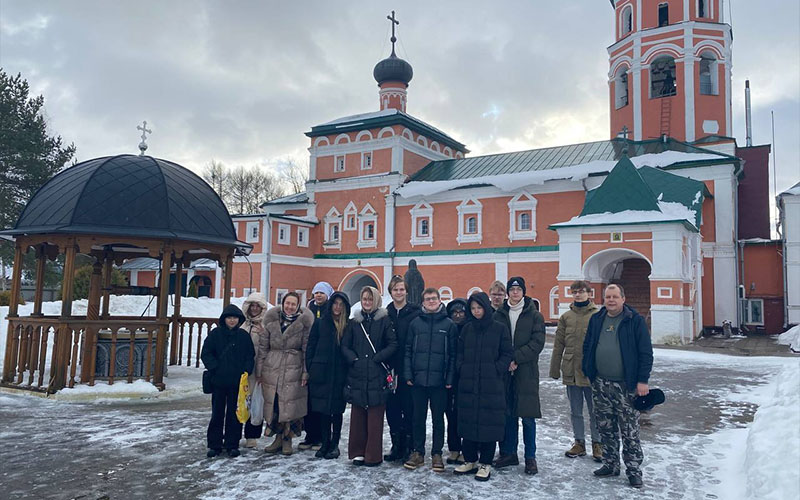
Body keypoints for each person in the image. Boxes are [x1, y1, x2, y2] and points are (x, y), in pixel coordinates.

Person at [582, 284, 653, 489]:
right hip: (601, 384)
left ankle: (633, 470)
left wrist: (642, 381)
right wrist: (588, 371)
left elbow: (645, 353)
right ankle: (610, 464)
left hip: (626, 386)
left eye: (614, 296)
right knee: (606, 426)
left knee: (629, 430)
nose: (611, 300)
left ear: (623, 298)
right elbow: (588, 345)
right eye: (607, 297)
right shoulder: (597, 319)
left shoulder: (634, 320)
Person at [454, 292, 513, 482]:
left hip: (491, 384)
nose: (476, 311)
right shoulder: (467, 329)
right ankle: (470, 459)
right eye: (473, 308)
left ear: (486, 308)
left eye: (479, 307)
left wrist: (497, 369)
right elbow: (459, 352)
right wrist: (461, 368)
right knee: (469, 421)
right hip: (469, 383)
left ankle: (485, 462)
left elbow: (507, 353)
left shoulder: (499, 329)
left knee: (489, 423)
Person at [493, 276, 545, 475]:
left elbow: (537, 342)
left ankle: (530, 457)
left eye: (518, 289)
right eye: (512, 289)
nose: (515, 292)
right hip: (506, 372)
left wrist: (516, 358)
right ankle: (508, 452)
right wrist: (506, 361)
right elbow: (495, 340)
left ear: (523, 292)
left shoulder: (534, 315)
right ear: (508, 292)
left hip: (526, 371)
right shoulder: (500, 313)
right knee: (508, 414)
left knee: (528, 416)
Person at [403, 288, 458, 473]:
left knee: (438, 419)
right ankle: (418, 452)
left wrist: (449, 378)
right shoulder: (415, 324)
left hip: (439, 382)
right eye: (427, 299)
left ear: (439, 300)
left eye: (434, 298)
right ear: (423, 302)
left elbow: (452, 355)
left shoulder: (449, 325)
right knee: (417, 418)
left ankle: (436, 453)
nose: (431, 301)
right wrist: (408, 374)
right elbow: (408, 350)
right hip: (418, 380)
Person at [341, 286, 397, 466]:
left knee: (375, 416)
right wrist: (354, 359)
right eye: (364, 299)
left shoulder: (384, 320)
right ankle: (357, 452)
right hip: (358, 372)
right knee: (357, 414)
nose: (367, 302)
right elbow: (345, 345)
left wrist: (378, 358)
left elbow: (393, 344)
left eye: (370, 299)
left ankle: (373, 454)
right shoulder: (354, 322)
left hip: (376, 372)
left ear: (376, 301)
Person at [550, 280, 601, 461]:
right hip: (571, 369)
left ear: (589, 293)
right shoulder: (566, 317)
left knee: (595, 410)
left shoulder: (597, 315)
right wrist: (554, 368)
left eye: (581, 291)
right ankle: (579, 442)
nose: (578, 295)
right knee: (575, 410)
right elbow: (558, 345)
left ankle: (598, 443)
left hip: (590, 371)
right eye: (575, 292)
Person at [258, 292, 314, 456]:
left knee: (290, 405)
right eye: (287, 303)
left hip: (293, 366)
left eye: (293, 304)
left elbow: (306, 350)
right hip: (273, 366)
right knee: (276, 404)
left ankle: (288, 438)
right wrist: (260, 370)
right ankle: (277, 438)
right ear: (283, 304)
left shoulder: (303, 324)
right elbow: (263, 347)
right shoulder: (271, 321)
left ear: (298, 306)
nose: (290, 307)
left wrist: (305, 372)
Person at [201, 304, 255, 458]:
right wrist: (215, 368)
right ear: (224, 319)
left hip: (236, 383)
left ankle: (232, 443)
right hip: (218, 381)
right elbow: (206, 353)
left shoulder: (244, 336)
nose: (232, 321)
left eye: (235, 318)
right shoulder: (215, 335)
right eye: (229, 318)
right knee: (217, 413)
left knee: (234, 414)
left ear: (239, 319)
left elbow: (249, 356)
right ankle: (214, 444)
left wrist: (246, 371)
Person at [306, 291, 351, 459]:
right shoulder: (320, 323)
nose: (337, 307)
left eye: (341, 304)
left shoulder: (347, 325)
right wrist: (311, 367)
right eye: (335, 303)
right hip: (322, 372)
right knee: (323, 410)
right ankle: (325, 442)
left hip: (340, 373)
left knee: (337, 410)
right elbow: (311, 346)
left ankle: (335, 444)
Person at [385, 275, 421, 463]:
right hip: (390, 368)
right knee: (392, 408)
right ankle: (396, 444)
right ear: (390, 292)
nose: (398, 292)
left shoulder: (415, 312)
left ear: (406, 291)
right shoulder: (386, 313)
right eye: (395, 289)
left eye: (401, 289)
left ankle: (409, 445)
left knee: (409, 408)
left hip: (409, 367)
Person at [301, 281, 334, 451]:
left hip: (326, 363)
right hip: (311, 360)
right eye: (316, 293)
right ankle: (310, 435)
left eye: (322, 293)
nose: (318, 295)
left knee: (322, 403)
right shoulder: (307, 311)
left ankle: (321, 437)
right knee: (309, 402)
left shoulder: (332, 311)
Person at [242, 292, 268, 449]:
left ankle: (252, 435)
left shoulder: (266, 325)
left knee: (256, 404)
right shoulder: (243, 325)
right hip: (244, 370)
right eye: (252, 305)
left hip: (259, 370)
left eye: (258, 306)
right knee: (242, 402)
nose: (254, 309)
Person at [444, 298, 468, 465]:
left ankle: (467, 450)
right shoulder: (447, 329)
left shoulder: (470, 330)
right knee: (450, 414)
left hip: (466, 377)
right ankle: (454, 448)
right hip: (448, 377)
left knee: (465, 414)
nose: (458, 315)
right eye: (455, 313)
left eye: (461, 312)